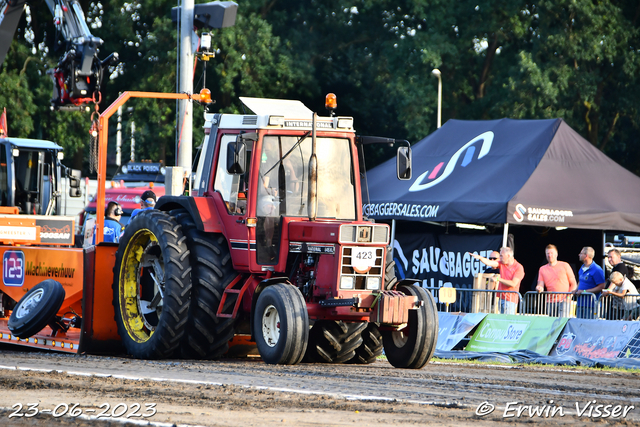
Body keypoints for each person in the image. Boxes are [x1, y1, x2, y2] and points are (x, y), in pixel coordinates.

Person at [469, 247, 524, 315]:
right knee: (501, 321)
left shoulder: (518, 267)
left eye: (501, 256)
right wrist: (480, 258)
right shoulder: (502, 263)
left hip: (510, 299)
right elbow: (490, 263)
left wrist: (498, 279)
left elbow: (513, 283)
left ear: (508, 256)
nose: (500, 258)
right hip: (501, 298)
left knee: (507, 321)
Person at [536, 244, 577, 317]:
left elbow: (573, 284)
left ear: (556, 254)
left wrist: (568, 297)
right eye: (548, 253)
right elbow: (540, 284)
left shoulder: (565, 265)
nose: (549, 255)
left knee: (562, 323)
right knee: (552, 324)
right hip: (550, 302)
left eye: (551, 253)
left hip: (564, 301)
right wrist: (539, 288)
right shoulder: (542, 269)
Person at [572, 246, 605, 319]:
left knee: (589, 326)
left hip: (591, 305)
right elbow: (580, 280)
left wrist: (584, 291)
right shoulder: (582, 267)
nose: (579, 255)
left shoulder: (597, 269)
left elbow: (601, 286)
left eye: (581, 253)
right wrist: (576, 289)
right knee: (579, 324)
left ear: (586, 256)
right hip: (580, 303)